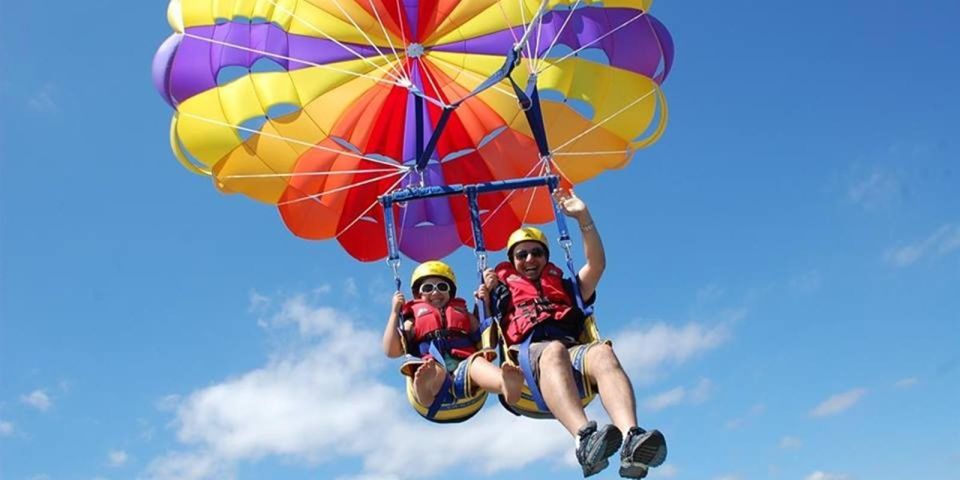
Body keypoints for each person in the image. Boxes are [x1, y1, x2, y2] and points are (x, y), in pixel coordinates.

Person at [482, 188, 668, 478]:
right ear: (512, 260)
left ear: (546, 256)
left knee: (602, 351)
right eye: (522, 255)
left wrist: (583, 217)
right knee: (553, 350)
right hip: (529, 357)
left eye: (536, 253)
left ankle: (631, 437)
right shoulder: (501, 292)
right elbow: (477, 325)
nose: (530, 259)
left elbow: (597, 265)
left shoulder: (567, 287)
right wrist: (487, 294)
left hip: (571, 350)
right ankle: (584, 439)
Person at [383, 260, 523, 421]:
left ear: (451, 293)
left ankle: (504, 384)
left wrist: (484, 303)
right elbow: (391, 351)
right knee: (433, 371)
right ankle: (425, 393)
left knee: (478, 364)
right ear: (418, 294)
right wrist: (395, 312)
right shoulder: (412, 320)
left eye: (442, 287)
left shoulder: (463, 314)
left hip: (465, 364)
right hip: (433, 363)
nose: (435, 293)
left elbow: (487, 339)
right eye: (428, 288)